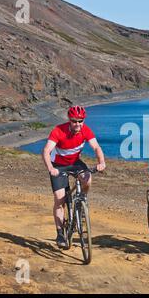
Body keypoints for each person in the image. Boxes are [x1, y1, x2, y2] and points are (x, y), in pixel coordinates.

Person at [42, 105, 106, 248]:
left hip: (75, 163)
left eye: (80, 121)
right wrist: (51, 168)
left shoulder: (85, 130)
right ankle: (60, 233)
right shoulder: (58, 131)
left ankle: (81, 200)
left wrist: (101, 162)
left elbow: (96, 147)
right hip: (58, 166)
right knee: (60, 199)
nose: (77, 124)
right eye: (74, 121)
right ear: (69, 120)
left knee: (87, 178)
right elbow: (46, 151)